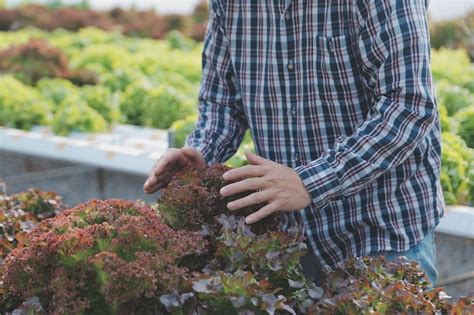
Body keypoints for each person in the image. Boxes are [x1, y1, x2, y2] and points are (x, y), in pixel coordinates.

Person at [144, 0, 442, 284]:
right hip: (291, 240)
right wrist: (202, 151)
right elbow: (222, 102)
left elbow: (409, 106)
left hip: (380, 232)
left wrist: (310, 181)